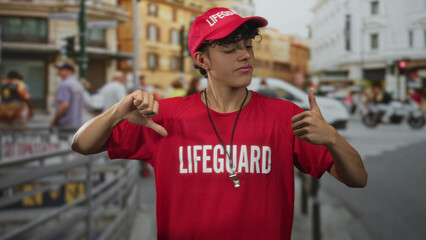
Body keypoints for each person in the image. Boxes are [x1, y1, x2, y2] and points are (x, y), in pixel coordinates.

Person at [71, 7, 367, 240]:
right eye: (229, 49)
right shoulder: (164, 117)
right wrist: (117, 112)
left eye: (248, 46)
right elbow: (81, 144)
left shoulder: (283, 116)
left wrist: (332, 138)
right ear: (203, 60)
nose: (245, 55)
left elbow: (357, 179)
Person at [51, 62, 85, 128]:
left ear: (69, 71)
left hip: (65, 124)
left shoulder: (64, 84)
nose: (58, 71)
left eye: (61, 69)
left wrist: (55, 120)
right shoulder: (78, 84)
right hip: (77, 123)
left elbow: (64, 105)